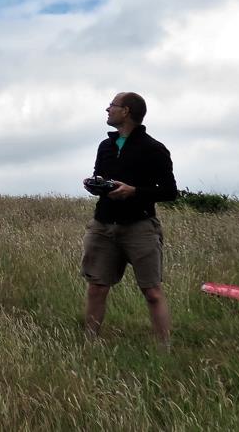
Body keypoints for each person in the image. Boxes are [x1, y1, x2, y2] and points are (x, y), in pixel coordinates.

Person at [80, 92, 177, 346]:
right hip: (103, 225)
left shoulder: (154, 149)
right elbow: (100, 176)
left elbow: (169, 192)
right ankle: (89, 345)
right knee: (96, 287)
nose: (107, 109)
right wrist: (95, 185)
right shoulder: (106, 146)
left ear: (127, 111)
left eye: (112, 105)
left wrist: (134, 191)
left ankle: (164, 349)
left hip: (140, 227)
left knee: (152, 292)